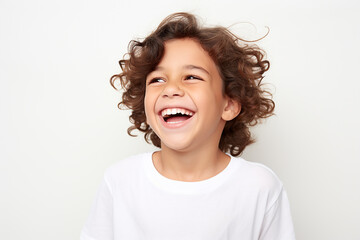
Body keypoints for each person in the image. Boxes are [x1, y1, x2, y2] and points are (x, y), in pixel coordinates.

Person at [80, 12, 296, 240]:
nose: (170, 89)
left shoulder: (259, 187)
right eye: (157, 80)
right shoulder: (120, 181)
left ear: (229, 104)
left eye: (192, 77)